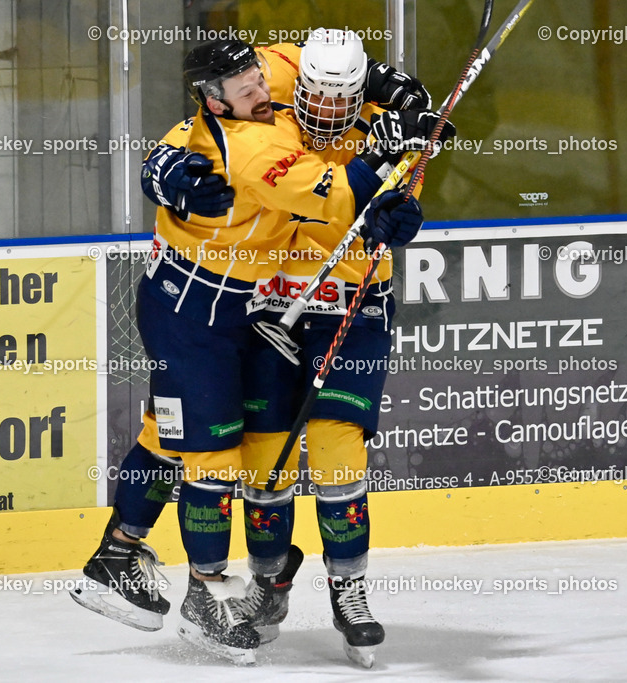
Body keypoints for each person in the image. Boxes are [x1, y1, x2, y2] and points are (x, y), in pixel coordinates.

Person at [70, 36, 447, 666]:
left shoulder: (271, 73)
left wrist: (387, 88)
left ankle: (126, 555)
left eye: (254, 75)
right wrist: (160, 168)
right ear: (211, 98)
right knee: (209, 452)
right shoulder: (255, 140)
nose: (254, 85)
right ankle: (201, 591)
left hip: (245, 307)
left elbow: (310, 65)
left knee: (183, 437)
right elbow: (326, 189)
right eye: (238, 84)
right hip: (195, 304)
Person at [229, 29, 452, 669]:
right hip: (268, 304)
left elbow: (403, 205)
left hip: (352, 310)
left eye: (341, 98)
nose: (326, 111)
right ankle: (268, 584)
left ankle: (347, 588)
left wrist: (399, 215)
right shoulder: (264, 127)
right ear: (298, 87)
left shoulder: (388, 135)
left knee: (336, 448)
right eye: (316, 96)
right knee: (264, 457)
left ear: (360, 96)